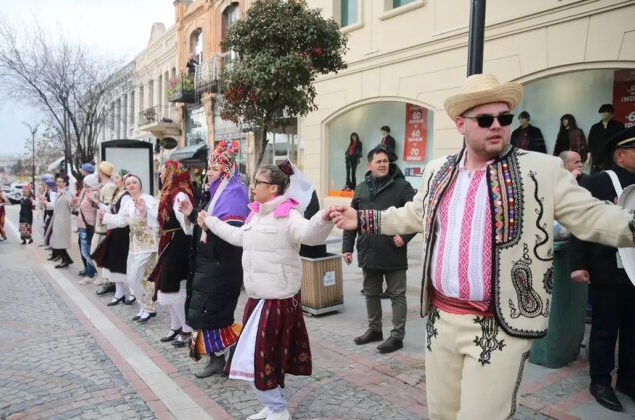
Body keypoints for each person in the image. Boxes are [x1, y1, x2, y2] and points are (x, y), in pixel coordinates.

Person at [329, 74, 635, 419]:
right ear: (461, 123)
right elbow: (416, 213)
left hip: (499, 324)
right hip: (441, 319)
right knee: (441, 413)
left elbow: (593, 216)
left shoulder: (542, 170)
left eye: (504, 118)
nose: (497, 126)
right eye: (485, 119)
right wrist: (363, 220)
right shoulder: (438, 170)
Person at [199, 163, 334, 420]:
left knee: (257, 356)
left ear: (273, 188)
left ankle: (277, 408)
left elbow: (310, 235)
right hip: (257, 298)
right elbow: (239, 237)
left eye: (257, 182)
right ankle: (272, 403)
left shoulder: (289, 216)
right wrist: (211, 222)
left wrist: (324, 218)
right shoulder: (256, 214)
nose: (252, 187)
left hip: (277, 301)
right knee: (264, 356)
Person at [569, 127, 635, 412]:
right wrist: (579, 264)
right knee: (605, 329)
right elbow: (579, 225)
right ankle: (600, 382)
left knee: (633, 330)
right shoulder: (597, 182)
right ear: (620, 155)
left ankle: (629, 381)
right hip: (607, 268)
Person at [178, 141, 249, 378]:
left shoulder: (234, 193)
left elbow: (232, 237)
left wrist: (206, 224)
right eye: (209, 167)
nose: (209, 172)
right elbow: (204, 225)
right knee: (207, 314)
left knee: (214, 314)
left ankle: (233, 351)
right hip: (206, 265)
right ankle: (218, 357)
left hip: (221, 267)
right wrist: (190, 212)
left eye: (215, 169)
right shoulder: (214, 192)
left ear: (227, 170)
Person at [343, 145, 416, 354]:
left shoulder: (402, 186)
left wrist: (405, 236)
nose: (383, 164)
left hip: (393, 249)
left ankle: (397, 336)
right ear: (369, 165)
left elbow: (417, 215)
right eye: (379, 161)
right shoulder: (361, 188)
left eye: (386, 161)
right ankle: (375, 330)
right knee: (371, 293)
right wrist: (347, 247)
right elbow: (352, 218)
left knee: (397, 295)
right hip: (368, 249)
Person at [101, 173, 159, 321]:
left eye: (134, 182)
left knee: (143, 278)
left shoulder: (149, 199)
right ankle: (143, 307)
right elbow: (122, 220)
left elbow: (157, 218)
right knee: (133, 279)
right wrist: (105, 217)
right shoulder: (128, 203)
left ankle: (149, 308)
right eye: (128, 183)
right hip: (134, 245)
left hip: (148, 245)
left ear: (140, 184)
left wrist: (144, 210)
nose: (131, 185)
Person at [151, 160, 195, 348]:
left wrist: (186, 218)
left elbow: (186, 225)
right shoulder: (169, 192)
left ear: (170, 173)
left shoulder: (178, 194)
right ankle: (176, 325)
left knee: (172, 286)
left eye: (162, 172)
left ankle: (186, 329)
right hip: (170, 241)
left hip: (178, 243)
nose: (160, 175)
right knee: (168, 285)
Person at [98, 172, 136, 306]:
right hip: (115, 231)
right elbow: (111, 209)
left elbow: (122, 217)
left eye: (117, 178)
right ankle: (119, 293)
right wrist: (100, 205)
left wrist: (106, 216)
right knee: (115, 262)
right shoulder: (119, 194)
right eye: (113, 178)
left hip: (122, 233)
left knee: (123, 262)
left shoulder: (125, 196)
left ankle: (132, 292)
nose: (114, 180)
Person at [91, 161, 118, 294]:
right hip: (101, 225)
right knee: (96, 252)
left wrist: (95, 200)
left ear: (102, 172)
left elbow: (108, 206)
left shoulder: (109, 187)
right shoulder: (105, 186)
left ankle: (107, 280)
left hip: (104, 226)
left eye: (98, 171)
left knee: (97, 252)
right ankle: (106, 279)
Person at [40, 174, 73, 268]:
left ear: (65, 183)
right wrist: (46, 202)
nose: (57, 183)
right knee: (58, 242)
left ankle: (66, 260)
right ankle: (66, 260)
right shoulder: (60, 193)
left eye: (60, 181)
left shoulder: (66, 194)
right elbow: (55, 205)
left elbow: (72, 205)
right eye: (57, 181)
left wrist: (72, 203)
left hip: (63, 221)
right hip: (58, 220)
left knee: (60, 242)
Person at [587, 104, 626, 173]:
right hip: (597, 157)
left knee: (612, 176)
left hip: (612, 156)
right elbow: (590, 143)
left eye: (605, 112)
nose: (603, 114)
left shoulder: (619, 126)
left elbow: (623, 141)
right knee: (595, 177)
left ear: (611, 113)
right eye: (602, 112)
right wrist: (588, 158)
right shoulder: (595, 127)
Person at [75, 174, 99, 282]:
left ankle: (94, 272)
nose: (83, 184)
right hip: (82, 225)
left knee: (86, 252)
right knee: (86, 251)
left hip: (87, 226)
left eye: (85, 182)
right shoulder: (86, 193)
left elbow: (98, 208)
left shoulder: (93, 193)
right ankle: (91, 273)